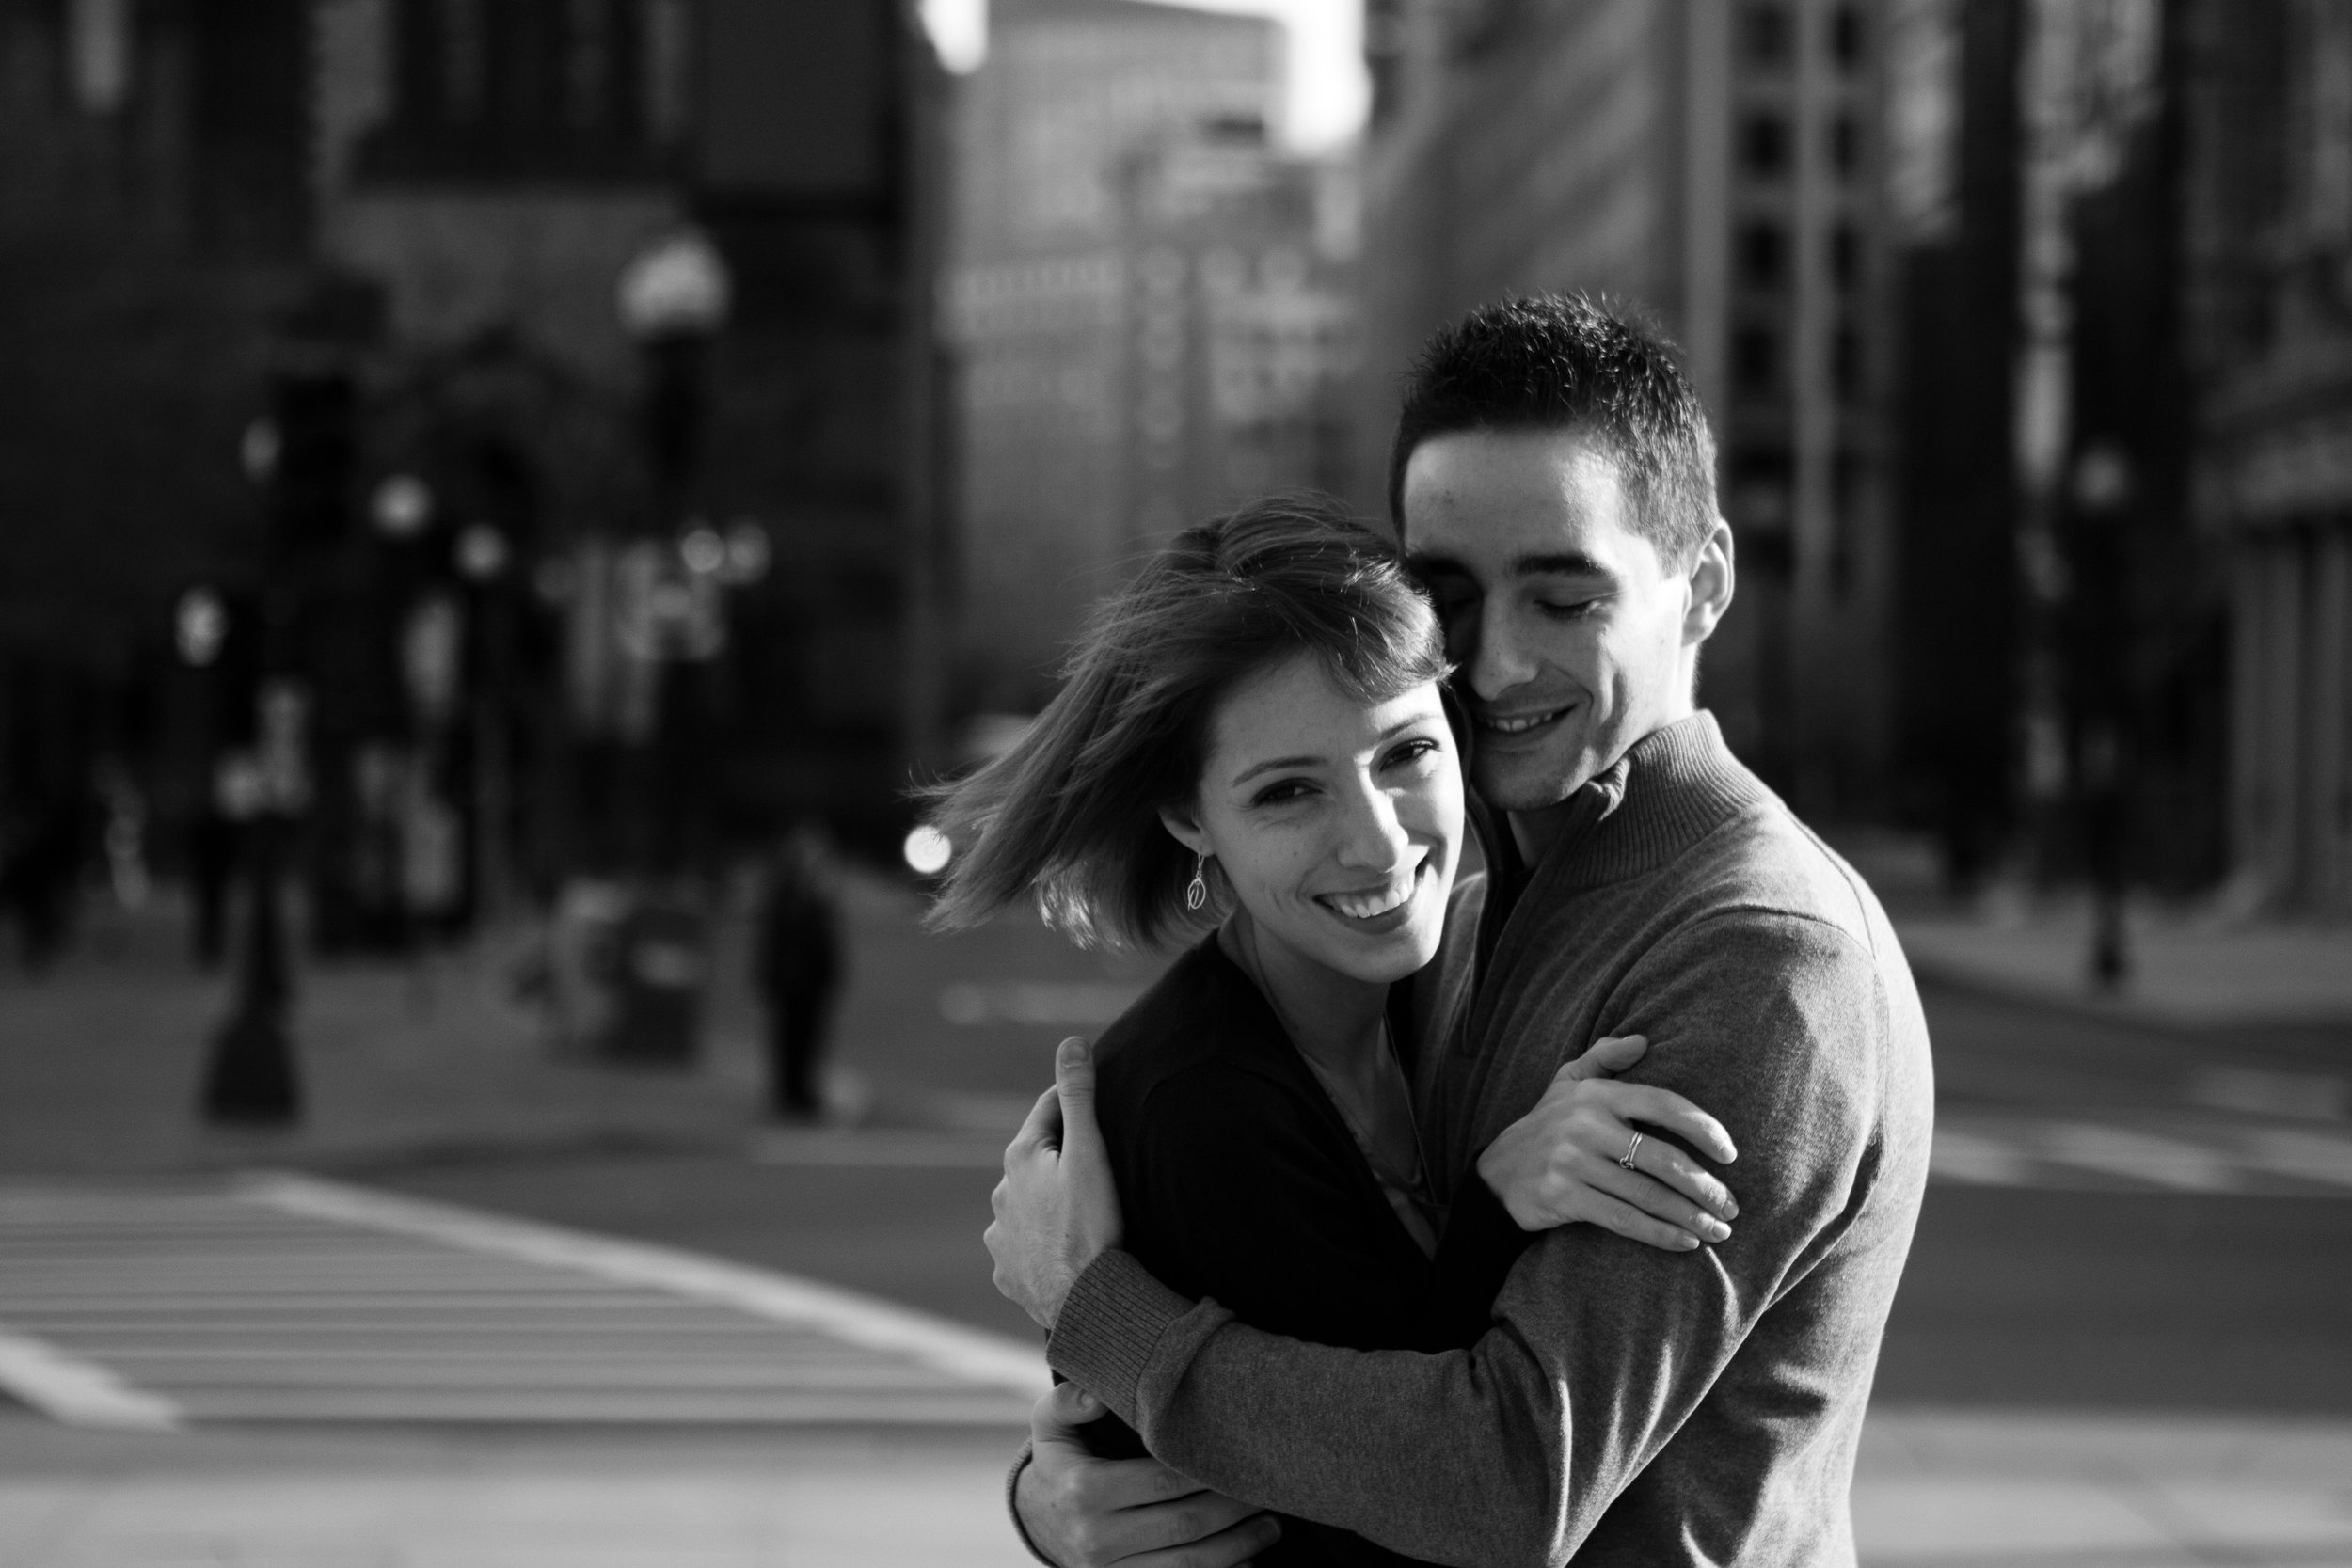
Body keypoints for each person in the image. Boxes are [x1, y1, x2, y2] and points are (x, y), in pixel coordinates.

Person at [987, 295, 1935, 1566]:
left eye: (1563, 596)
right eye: (1453, 597)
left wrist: (1105, 1318)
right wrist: (1073, 1489)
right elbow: (1358, 1328)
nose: (1493, 667)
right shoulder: (1466, 900)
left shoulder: (1754, 952)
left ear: (1700, 583)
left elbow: (1511, 1476)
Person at [929, 496, 1744, 1566]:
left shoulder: (1441, 977)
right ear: (1188, 815)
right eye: (1287, 793)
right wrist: (1499, 1199)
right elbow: (1450, 1500)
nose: (1376, 841)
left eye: (1403, 752)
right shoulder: (1204, 1110)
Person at [755, 822, 845, 1119]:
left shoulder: (814, 888)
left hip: (811, 981)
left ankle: (801, 1094)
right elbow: (777, 938)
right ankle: (790, 1096)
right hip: (792, 981)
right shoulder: (787, 891)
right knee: (790, 1041)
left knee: (808, 1040)